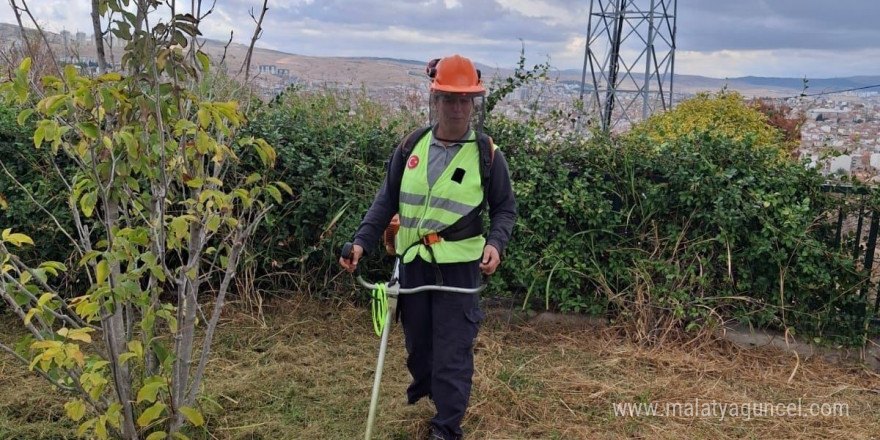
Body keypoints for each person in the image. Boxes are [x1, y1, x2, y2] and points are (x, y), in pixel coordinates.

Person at [339, 54, 516, 440]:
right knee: (419, 348)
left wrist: (496, 244)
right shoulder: (410, 147)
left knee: (453, 350)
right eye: (448, 99)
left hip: (458, 269)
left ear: (474, 104)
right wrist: (360, 244)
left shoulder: (487, 155)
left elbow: (504, 209)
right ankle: (434, 394)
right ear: (434, 101)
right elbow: (385, 202)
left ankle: (446, 427)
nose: (456, 108)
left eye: (464, 100)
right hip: (413, 264)